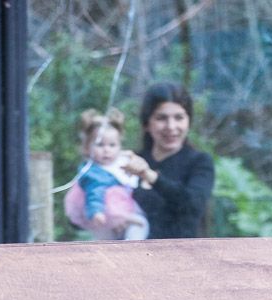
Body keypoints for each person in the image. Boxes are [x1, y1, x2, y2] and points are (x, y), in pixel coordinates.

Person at [125, 82, 215, 239]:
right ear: (147, 123)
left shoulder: (199, 162)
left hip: (182, 258)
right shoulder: (131, 161)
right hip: (126, 257)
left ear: (189, 121)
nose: (171, 126)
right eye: (161, 118)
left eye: (179, 118)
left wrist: (149, 175)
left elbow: (193, 205)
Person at [64, 107, 149, 241]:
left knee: (139, 227)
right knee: (107, 239)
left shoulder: (121, 162)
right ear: (87, 147)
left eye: (112, 145)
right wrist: (96, 212)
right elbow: (94, 193)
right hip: (104, 212)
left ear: (120, 146)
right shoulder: (93, 173)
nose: (106, 150)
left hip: (124, 207)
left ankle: (132, 246)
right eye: (99, 145)